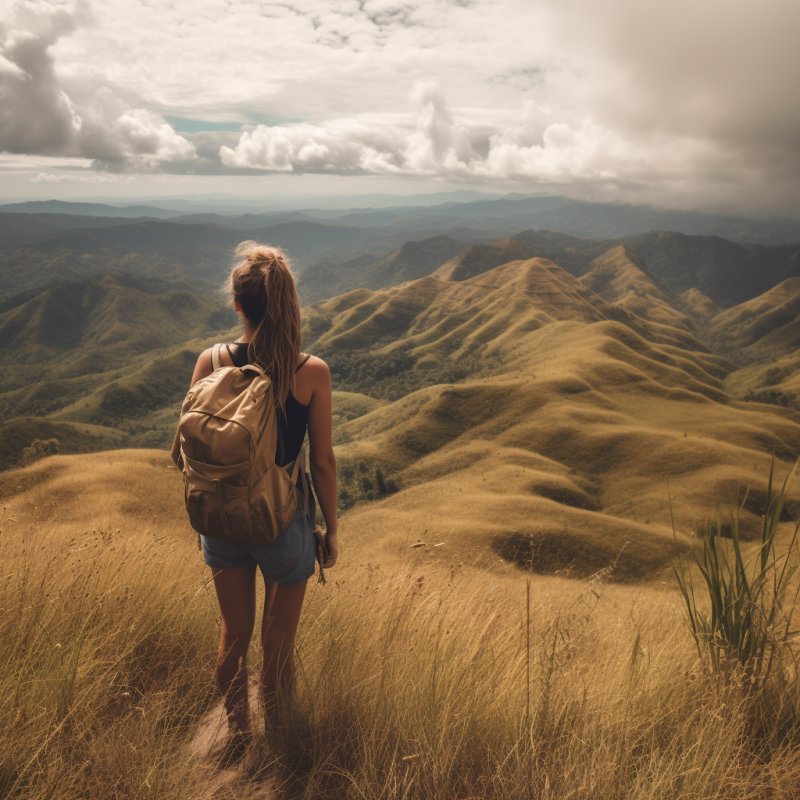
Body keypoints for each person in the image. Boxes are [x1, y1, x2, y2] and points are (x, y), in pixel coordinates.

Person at [187, 240, 338, 757]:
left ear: (237, 304)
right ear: (289, 305)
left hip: (222, 520)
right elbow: (322, 462)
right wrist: (332, 529)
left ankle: (237, 737)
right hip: (282, 525)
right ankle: (280, 746)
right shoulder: (309, 371)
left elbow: (190, 446)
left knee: (233, 635)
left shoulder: (210, 360)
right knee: (277, 648)